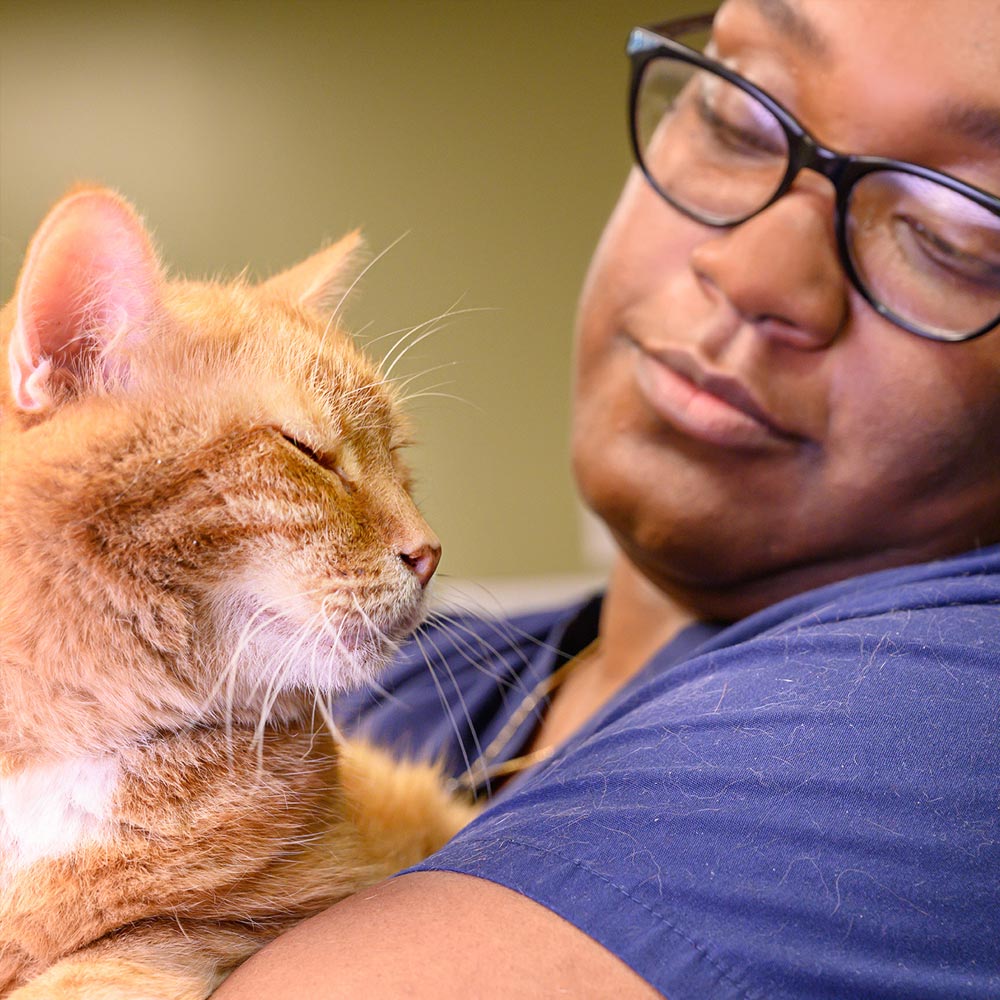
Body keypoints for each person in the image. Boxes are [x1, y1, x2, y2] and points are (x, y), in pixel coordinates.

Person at [217, 0, 1000, 996]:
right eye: (739, 116)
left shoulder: (949, 733)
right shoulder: (429, 666)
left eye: (954, 232)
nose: (754, 271)